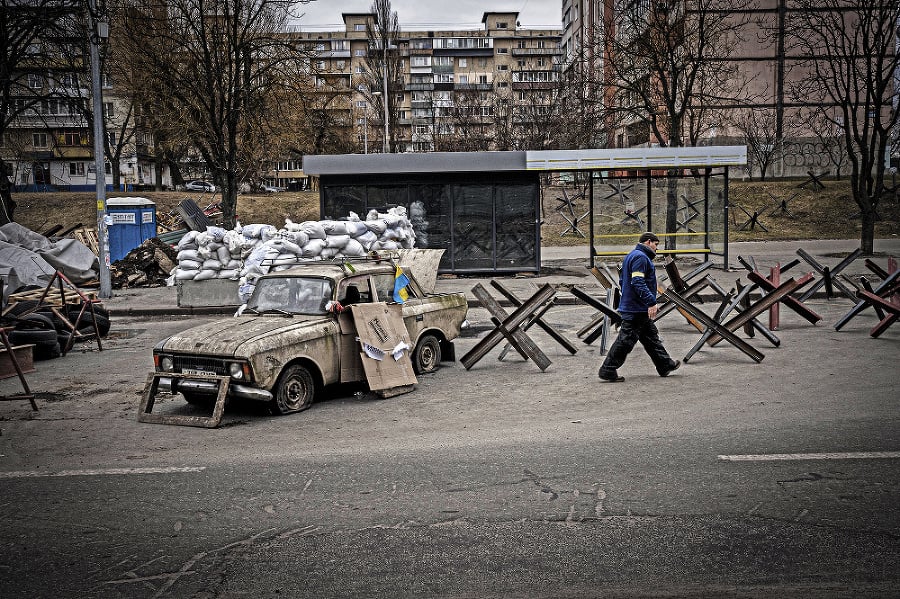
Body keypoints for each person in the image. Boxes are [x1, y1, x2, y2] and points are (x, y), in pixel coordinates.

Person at [598, 232, 681, 382]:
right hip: (636, 307)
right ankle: (608, 369)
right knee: (626, 340)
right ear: (648, 242)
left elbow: (624, 279)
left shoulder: (633, 255)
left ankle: (664, 364)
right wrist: (650, 301)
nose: (657, 248)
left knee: (650, 336)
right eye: (656, 244)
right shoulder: (641, 258)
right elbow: (637, 281)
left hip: (636, 305)